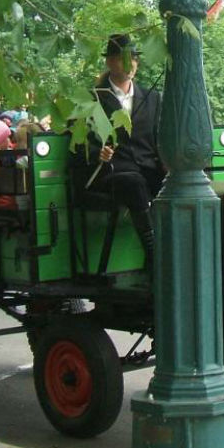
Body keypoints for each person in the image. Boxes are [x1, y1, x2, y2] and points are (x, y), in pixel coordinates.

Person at [72, 33, 163, 270]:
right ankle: (154, 254)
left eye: (133, 58)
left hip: (147, 168)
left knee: (177, 181)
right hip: (108, 173)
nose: (131, 63)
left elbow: (160, 138)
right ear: (110, 62)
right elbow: (77, 141)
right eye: (124, 58)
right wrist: (96, 153)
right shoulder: (92, 99)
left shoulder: (153, 98)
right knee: (133, 182)